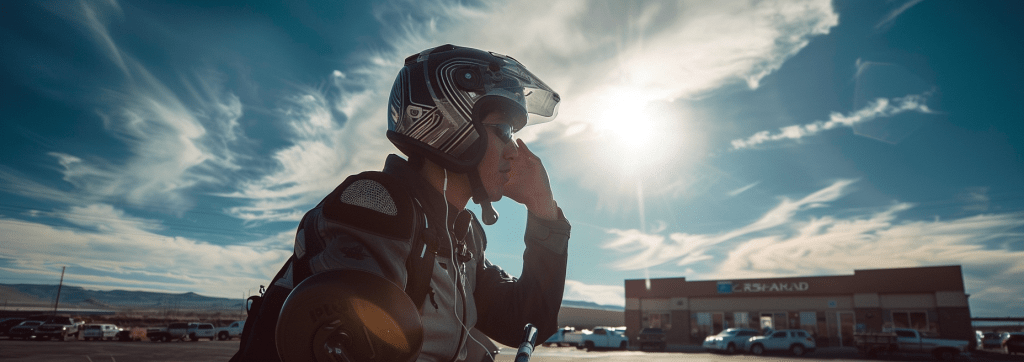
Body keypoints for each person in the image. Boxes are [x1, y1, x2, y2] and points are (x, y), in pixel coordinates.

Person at [234, 44, 570, 362]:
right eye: (504, 131)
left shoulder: (463, 238)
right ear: (450, 123)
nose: (515, 150)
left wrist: (543, 209)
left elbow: (528, 320)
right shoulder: (375, 206)